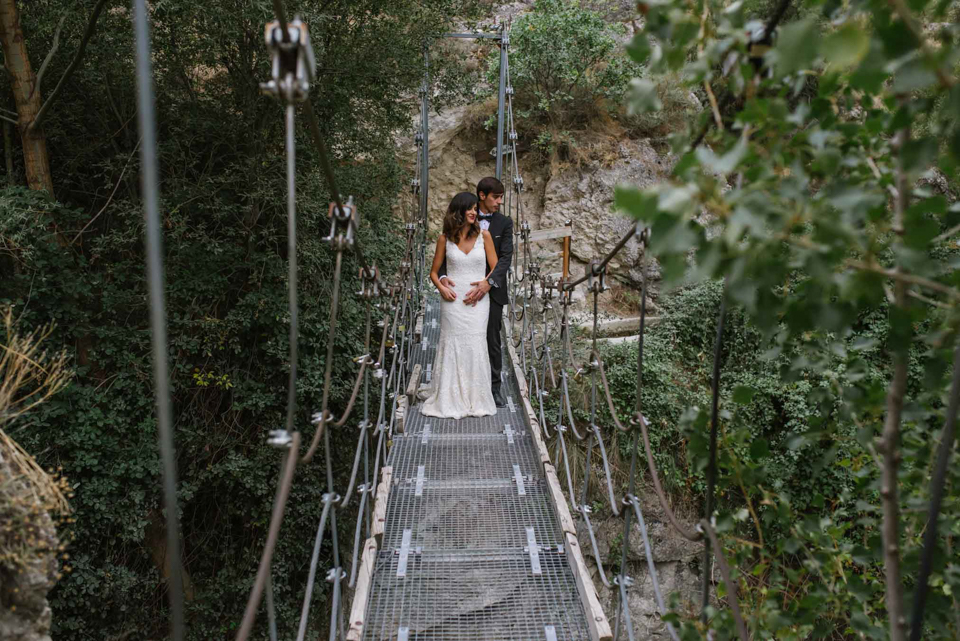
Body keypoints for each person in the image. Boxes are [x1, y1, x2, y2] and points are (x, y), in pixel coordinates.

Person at [420, 192, 499, 419]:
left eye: (476, 208)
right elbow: (434, 273)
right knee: (453, 342)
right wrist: (441, 287)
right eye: (470, 208)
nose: (474, 212)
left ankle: (476, 398)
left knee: (475, 342)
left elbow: (495, 268)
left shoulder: (485, 236)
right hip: (452, 302)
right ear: (458, 211)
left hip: (478, 301)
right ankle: (449, 397)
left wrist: (485, 284)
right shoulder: (444, 239)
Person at [438, 177, 513, 407]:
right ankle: (459, 389)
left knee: (491, 339)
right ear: (482, 196)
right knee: (463, 340)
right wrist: (441, 280)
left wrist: (487, 284)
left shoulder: (504, 223)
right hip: (459, 293)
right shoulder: (463, 217)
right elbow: (444, 260)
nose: (500, 201)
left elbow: (504, 258)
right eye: (496, 197)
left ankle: (493, 388)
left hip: (492, 289)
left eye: (501, 197)